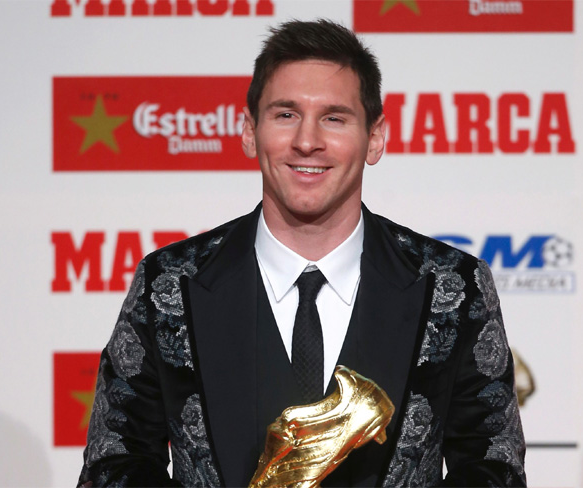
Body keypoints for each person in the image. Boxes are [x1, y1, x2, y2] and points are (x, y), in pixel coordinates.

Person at [78, 19, 526, 487]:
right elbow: (114, 465)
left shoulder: (451, 285)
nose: (307, 140)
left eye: (334, 117)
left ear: (375, 137)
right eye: (286, 114)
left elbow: (494, 468)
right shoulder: (169, 284)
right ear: (250, 131)